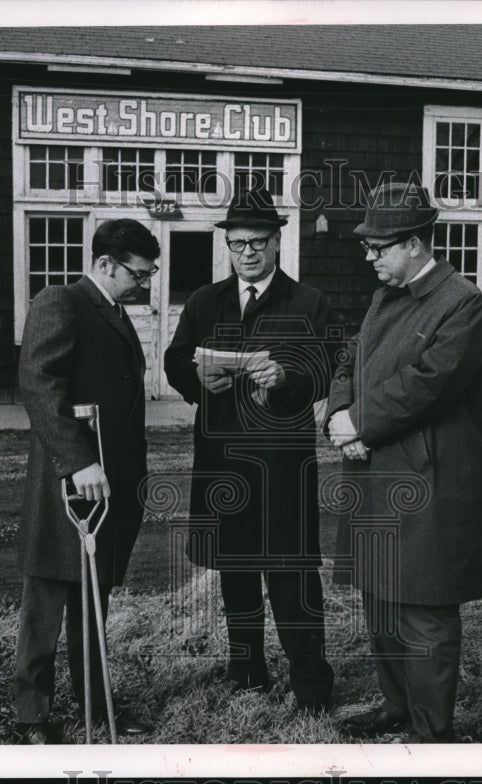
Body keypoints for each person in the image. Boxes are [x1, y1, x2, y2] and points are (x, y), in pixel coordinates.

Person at [325, 182, 482, 743]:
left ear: (418, 245)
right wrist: (339, 413)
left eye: (380, 246)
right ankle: (397, 705)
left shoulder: (463, 304)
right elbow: (353, 356)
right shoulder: (386, 294)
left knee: (423, 605)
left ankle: (430, 733)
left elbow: (428, 385)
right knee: (380, 598)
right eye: (368, 247)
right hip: (374, 467)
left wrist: (360, 422)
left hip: (430, 479)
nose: (369, 256)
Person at [164, 186, 336, 712]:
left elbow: (328, 369)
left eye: (258, 241)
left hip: (282, 466)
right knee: (235, 573)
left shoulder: (309, 304)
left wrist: (287, 375)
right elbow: (173, 361)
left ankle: (310, 686)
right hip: (222, 464)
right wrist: (195, 378)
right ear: (227, 246)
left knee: (292, 579)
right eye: (237, 243)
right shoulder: (203, 301)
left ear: (277, 241)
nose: (247, 253)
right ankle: (248, 674)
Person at [14, 218, 160, 744]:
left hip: (108, 483)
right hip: (68, 482)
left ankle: (94, 704)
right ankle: (32, 715)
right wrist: (77, 460)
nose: (145, 285)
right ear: (104, 265)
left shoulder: (114, 310)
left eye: (148, 275)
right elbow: (37, 380)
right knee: (47, 601)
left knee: (92, 599)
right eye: (138, 275)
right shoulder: (61, 301)